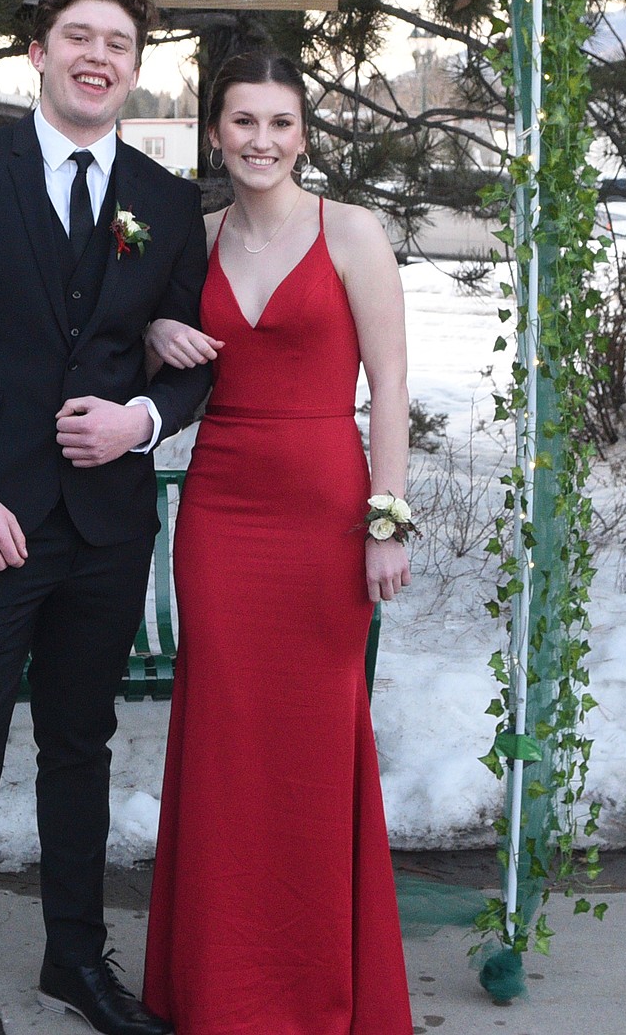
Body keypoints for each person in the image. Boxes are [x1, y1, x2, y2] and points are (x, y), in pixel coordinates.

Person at [0, 0, 211, 1035]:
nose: (98, 55)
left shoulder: (162, 204)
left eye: (118, 41)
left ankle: (77, 961)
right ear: (39, 52)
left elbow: (195, 360)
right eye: (79, 35)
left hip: (106, 529)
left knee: (82, 750)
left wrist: (143, 420)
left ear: (134, 65)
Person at [141, 50, 414, 1033]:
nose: (260, 140)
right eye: (242, 122)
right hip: (221, 511)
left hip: (324, 513)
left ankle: (315, 985)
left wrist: (387, 520)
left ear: (304, 135)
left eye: (279, 123)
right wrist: (159, 338)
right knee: (224, 738)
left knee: (312, 742)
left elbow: (389, 387)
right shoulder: (195, 237)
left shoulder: (352, 232)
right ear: (215, 131)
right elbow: (150, 342)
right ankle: (220, 984)